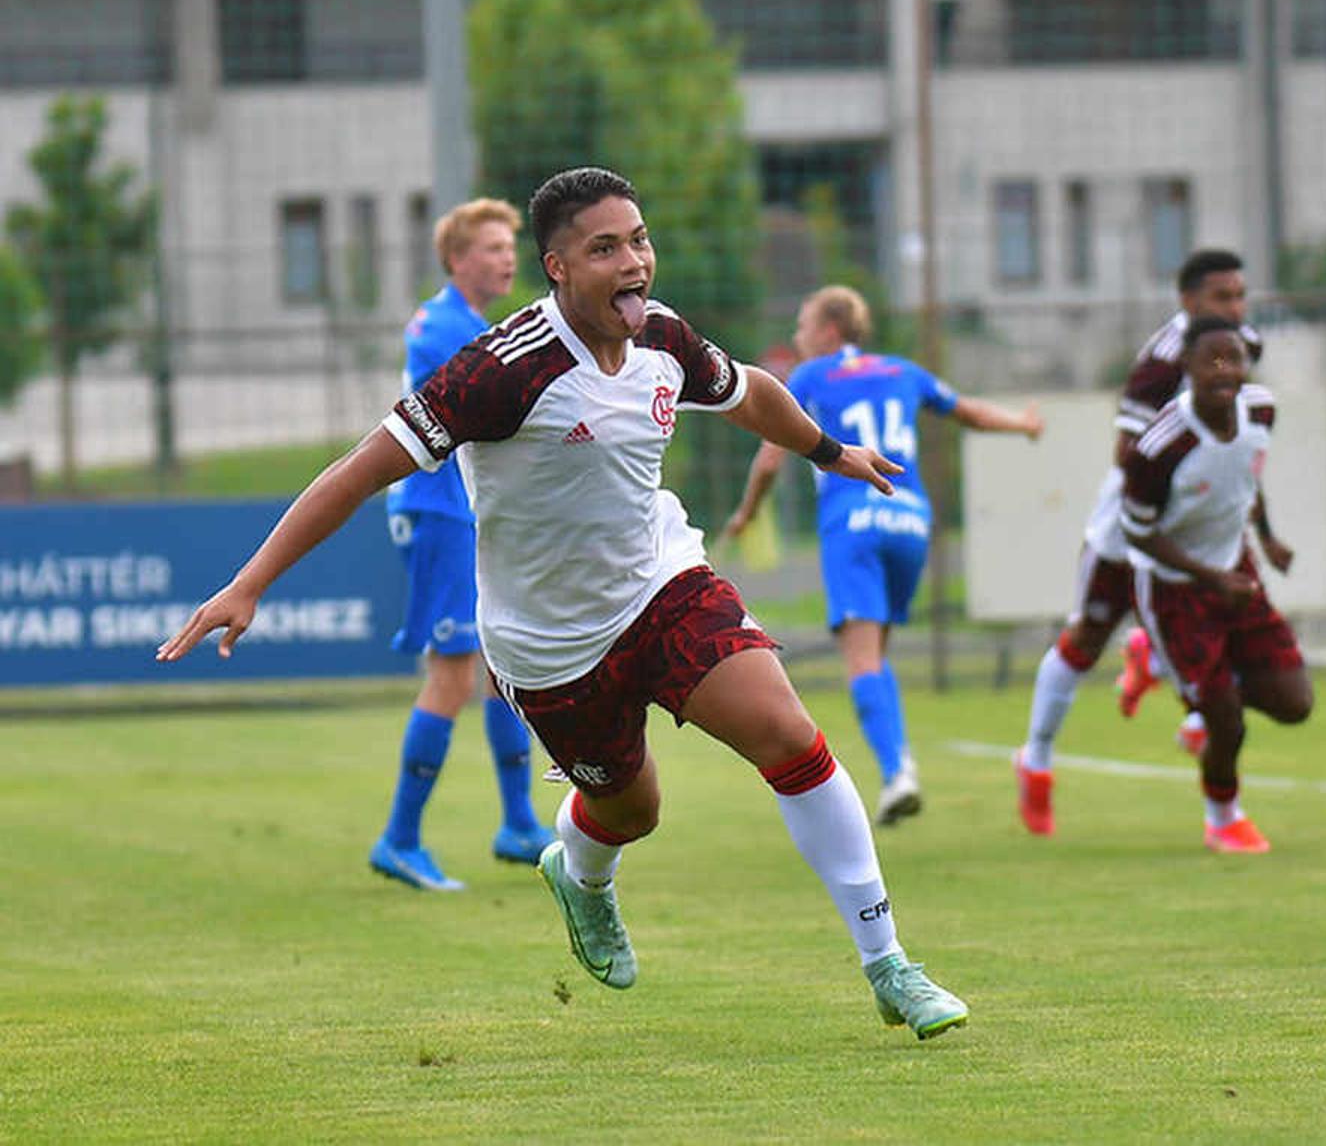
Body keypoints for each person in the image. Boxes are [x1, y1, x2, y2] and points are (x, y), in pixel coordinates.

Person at [159, 167, 969, 1040]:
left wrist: (827, 450)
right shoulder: (499, 370)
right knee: (633, 809)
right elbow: (360, 471)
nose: (634, 262)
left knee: (789, 735)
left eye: (640, 240)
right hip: (548, 643)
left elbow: (745, 392)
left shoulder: (662, 337)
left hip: (663, 582)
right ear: (557, 267)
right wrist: (249, 584)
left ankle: (889, 963)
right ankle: (581, 874)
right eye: (605, 248)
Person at [721, 285, 1042, 825]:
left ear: (828, 331)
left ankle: (897, 773)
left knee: (862, 659)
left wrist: (747, 513)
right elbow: (971, 414)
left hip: (855, 524)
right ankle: (898, 766)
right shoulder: (903, 371)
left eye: (803, 327)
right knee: (878, 652)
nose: (798, 339)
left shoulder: (810, 376)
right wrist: (1025, 424)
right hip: (911, 524)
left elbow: (772, 459)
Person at [1016, 249, 1284, 836]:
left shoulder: (1245, 345)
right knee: (1086, 635)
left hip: (1194, 534)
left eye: (1241, 297)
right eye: (1222, 298)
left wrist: (1249, 521)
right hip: (1129, 527)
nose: (1235, 310)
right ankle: (1036, 759)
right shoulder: (1160, 366)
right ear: (1188, 302)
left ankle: (1164, 669)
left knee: (1214, 635)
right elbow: (1129, 456)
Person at [370, 198, 553, 891]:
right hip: (438, 511)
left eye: (511, 246)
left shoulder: (468, 324)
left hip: (460, 511)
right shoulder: (445, 328)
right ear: (457, 259)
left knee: (499, 662)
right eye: (493, 247)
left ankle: (517, 823)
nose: (508, 257)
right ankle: (400, 838)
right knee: (452, 673)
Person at [1120, 316, 1312, 852]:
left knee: (1295, 703)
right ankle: (1224, 816)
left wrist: (1267, 539)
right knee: (1225, 719)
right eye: (1212, 360)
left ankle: (1165, 669)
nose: (1226, 371)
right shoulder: (1160, 446)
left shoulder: (1261, 410)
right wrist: (1209, 578)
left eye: (1235, 359)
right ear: (1187, 367)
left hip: (1237, 570)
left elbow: (1245, 477)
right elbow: (1136, 533)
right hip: (1173, 588)